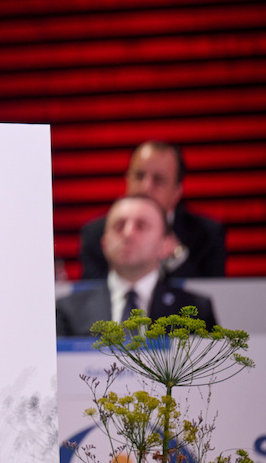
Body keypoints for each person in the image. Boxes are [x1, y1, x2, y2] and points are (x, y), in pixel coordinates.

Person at [57, 195, 217, 336]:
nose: (128, 234)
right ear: (104, 243)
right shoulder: (69, 310)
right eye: (119, 226)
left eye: (141, 226)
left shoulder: (195, 310)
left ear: (165, 244)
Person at [78, 141, 225, 279]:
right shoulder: (97, 233)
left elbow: (212, 293)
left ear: (177, 191)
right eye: (139, 176)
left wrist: (176, 258)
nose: (146, 187)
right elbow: (92, 294)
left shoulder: (207, 235)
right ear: (127, 179)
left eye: (159, 180)